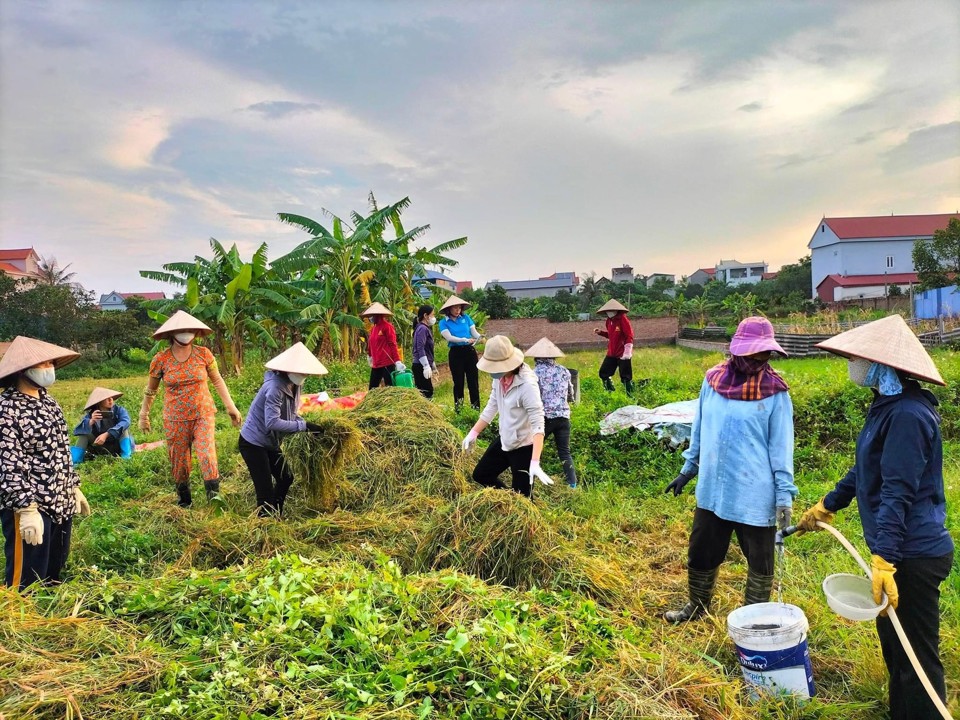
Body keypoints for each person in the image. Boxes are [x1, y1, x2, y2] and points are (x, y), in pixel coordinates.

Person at [796, 314, 954, 720]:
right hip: (899, 552)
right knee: (896, 650)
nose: (853, 364)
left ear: (883, 364)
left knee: (916, 657)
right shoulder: (885, 405)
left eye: (858, 358)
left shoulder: (908, 415)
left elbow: (898, 490)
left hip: (912, 555)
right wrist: (829, 504)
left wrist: (884, 557)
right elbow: (866, 470)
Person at [664, 316, 795, 623]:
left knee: (760, 561)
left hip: (754, 493)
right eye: (754, 352)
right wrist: (688, 469)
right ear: (738, 349)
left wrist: (784, 496)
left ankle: (754, 621)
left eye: (765, 353)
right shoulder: (712, 381)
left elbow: (781, 449)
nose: (760, 359)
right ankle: (696, 606)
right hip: (713, 489)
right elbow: (699, 429)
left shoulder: (776, 393)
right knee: (701, 551)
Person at [0, 336, 91, 589]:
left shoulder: (49, 402)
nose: (49, 367)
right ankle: (19, 622)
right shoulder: (6, 409)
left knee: (53, 573)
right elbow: (8, 462)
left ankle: (50, 614)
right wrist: (26, 508)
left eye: (51, 362)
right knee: (26, 580)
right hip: (30, 505)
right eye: (43, 363)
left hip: (60, 500)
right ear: (23, 370)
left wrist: (73, 486)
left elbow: (62, 449)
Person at [138, 310, 243, 508]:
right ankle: (184, 501)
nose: (186, 333)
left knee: (206, 455)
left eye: (189, 330)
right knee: (180, 462)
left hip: (203, 414)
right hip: (175, 418)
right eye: (181, 330)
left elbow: (218, 381)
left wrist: (231, 407)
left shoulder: (204, 354)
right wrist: (144, 415)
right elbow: (151, 391)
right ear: (172, 334)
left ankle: (214, 502)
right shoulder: (161, 360)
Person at [239, 342, 328, 517]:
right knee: (264, 493)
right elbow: (271, 423)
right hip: (253, 443)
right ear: (288, 369)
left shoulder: (295, 385)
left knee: (286, 477)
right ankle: (265, 522)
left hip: (270, 442)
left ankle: (276, 514)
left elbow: (291, 414)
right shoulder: (274, 388)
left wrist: (307, 425)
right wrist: (304, 426)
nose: (304, 375)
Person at [462, 335, 553, 498]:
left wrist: (535, 461)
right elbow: (492, 405)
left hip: (524, 445)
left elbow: (538, 423)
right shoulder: (500, 378)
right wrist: (473, 433)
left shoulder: (527, 385)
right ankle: (508, 500)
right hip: (506, 437)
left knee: (523, 497)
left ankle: (523, 512)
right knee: (481, 475)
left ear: (509, 364)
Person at [526, 337, 578, 489]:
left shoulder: (534, 373)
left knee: (533, 451)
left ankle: (529, 483)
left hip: (545, 418)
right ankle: (572, 484)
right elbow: (571, 394)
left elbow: (534, 397)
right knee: (564, 452)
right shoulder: (564, 371)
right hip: (563, 417)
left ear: (537, 358)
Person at [438, 295, 483, 412]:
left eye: (459, 308)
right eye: (455, 308)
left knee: (473, 381)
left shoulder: (466, 318)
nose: (458, 310)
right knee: (458, 382)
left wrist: (480, 338)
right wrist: (464, 339)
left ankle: (476, 408)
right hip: (456, 354)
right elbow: (449, 337)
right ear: (449, 309)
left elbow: (474, 333)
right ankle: (459, 409)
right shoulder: (443, 323)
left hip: (469, 352)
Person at [71, 387, 135, 463]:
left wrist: (107, 434)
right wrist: (91, 421)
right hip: (100, 447)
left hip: (117, 446)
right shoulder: (91, 414)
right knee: (84, 434)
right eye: (106, 398)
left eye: (111, 397)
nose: (110, 400)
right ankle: (76, 462)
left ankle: (126, 458)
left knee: (124, 430)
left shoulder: (119, 410)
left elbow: (126, 422)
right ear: (99, 402)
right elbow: (77, 431)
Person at [594, 299, 635, 393]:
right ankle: (610, 392)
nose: (609, 313)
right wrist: (601, 333)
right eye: (607, 311)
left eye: (611, 310)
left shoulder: (623, 319)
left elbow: (629, 335)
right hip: (611, 352)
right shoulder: (609, 321)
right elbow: (611, 335)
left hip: (622, 353)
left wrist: (628, 351)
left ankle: (630, 395)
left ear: (616, 310)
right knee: (603, 373)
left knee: (625, 377)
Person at [363, 302, 406, 389]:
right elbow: (371, 343)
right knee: (372, 388)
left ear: (378, 315)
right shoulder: (374, 329)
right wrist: (370, 356)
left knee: (390, 388)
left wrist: (397, 360)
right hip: (376, 364)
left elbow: (392, 344)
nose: (370, 318)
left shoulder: (387, 327)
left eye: (372, 316)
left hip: (387, 363)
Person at [412, 304, 439, 398]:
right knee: (426, 392)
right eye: (432, 315)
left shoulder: (424, 328)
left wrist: (433, 366)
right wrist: (426, 366)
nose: (433, 317)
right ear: (425, 316)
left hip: (423, 364)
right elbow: (420, 348)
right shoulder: (422, 328)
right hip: (420, 365)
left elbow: (428, 350)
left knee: (425, 391)